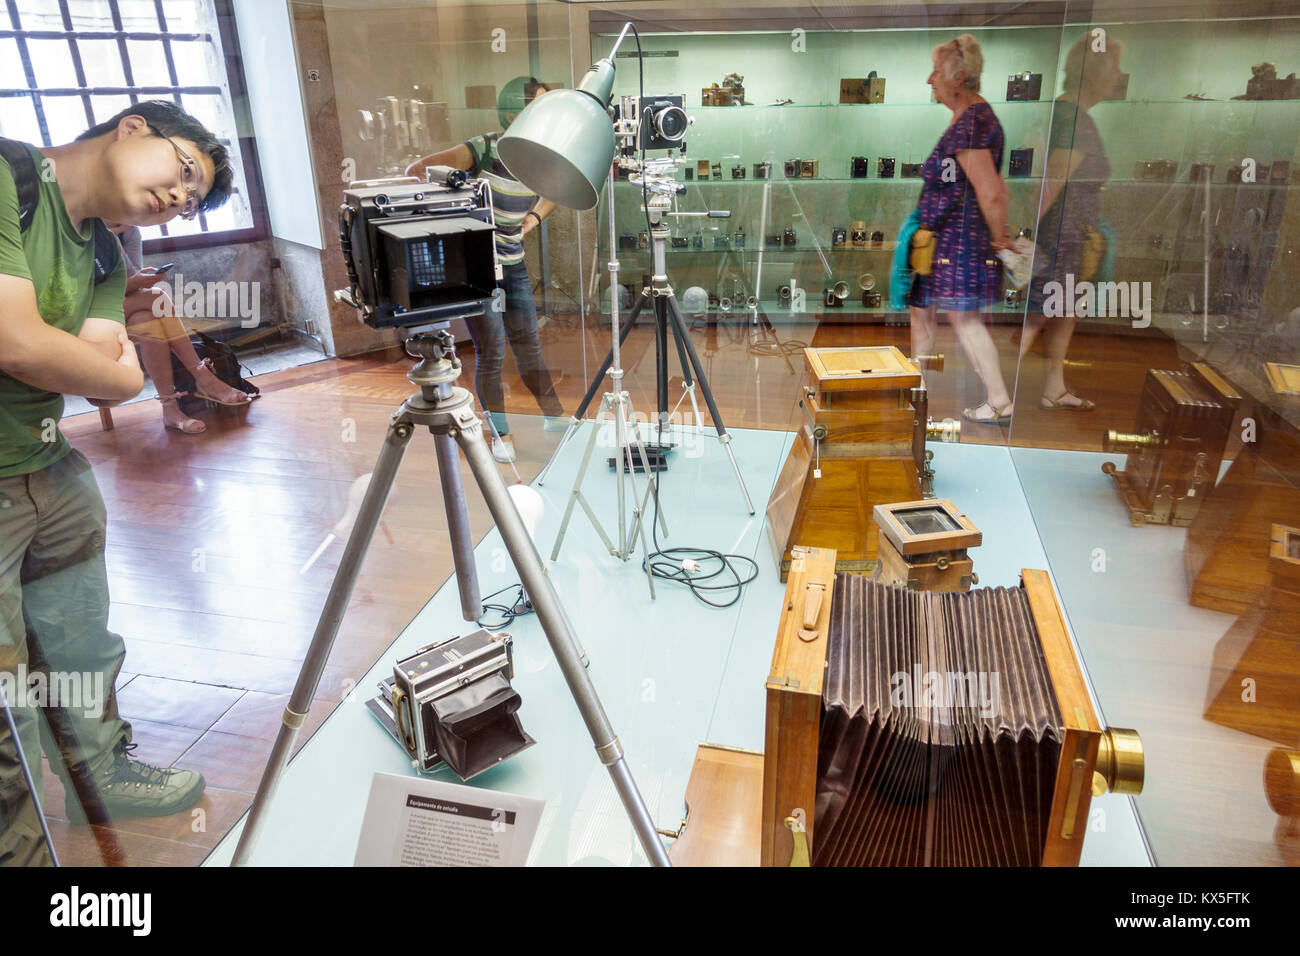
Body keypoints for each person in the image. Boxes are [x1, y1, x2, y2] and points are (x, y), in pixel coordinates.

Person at [0, 100, 232, 866]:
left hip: (46, 463)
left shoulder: (105, 248)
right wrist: (100, 365)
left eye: (191, 202)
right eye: (184, 171)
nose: (179, 198)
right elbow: (21, 345)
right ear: (134, 127)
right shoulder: (7, 174)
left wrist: (106, 368)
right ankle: (21, 846)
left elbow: (109, 384)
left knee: (79, 647)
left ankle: (101, 773)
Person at [406, 76, 566, 464]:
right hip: (479, 273)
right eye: (536, 106)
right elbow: (417, 171)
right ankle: (500, 433)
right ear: (513, 109)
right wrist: (458, 226)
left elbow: (555, 193)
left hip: (514, 266)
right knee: (492, 353)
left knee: (529, 345)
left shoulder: (539, 155)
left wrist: (532, 218)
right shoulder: (483, 149)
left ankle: (556, 418)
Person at [907, 35, 1015, 425]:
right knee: (931, 314)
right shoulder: (971, 118)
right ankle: (916, 391)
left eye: (936, 71)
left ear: (958, 78)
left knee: (964, 319)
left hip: (960, 239)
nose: (929, 80)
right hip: (947, 239)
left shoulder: (972, 122)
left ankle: (999, 400)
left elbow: (991, 191)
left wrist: (1000, 237)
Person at [1021, 34, 1125, 411]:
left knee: (1063, 314)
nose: (1118, 76)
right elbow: (1049, 185)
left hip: (1071, 239)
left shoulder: (1073, 116)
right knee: (1036, 317)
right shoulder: (1073, 119)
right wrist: (1031, 239)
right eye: (1113, 67)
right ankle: (993, 392)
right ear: (1094, 73)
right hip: (1061, 239)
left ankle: (1053, 386)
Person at [107, 223, 253, 434]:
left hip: (125, 307)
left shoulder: (129, 231)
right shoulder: (84, 231)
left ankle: (170, 409)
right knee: (157, 297)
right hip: (90, 314)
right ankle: (203, 376)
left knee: (146, 320)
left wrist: (140, 278)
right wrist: (109, 240)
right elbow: (88, 292)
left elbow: (131, 282)